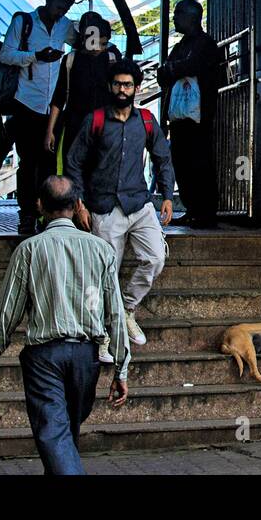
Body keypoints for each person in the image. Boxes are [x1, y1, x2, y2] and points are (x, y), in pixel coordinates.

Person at [0, 175, 129, 475]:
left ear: (39, 206)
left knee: (55, 433)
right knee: (63, 434)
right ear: (77, 206)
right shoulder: (101, 250)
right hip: (86, 357)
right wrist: (121, 367)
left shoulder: (30, 249)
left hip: (44, 357)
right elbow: (115, 312)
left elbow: (8, 308)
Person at [65, 59, 174, 348]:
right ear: (109, 86)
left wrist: (167, 197)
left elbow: (163, 158)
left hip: (139, 203)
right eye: (117, 84)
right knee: (105, 272)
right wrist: (80, 204)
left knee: (155, 258)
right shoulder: (96, 120)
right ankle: (103, 332)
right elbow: (73, 162)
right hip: (103, 206)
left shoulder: (147, 121)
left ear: (136, 88)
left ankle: (126, 310)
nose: (122, 89)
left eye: (127, 84)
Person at [0, 0, 76, 234]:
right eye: (58, 6)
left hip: (55, 106)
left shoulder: (66, 26)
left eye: (65, 9)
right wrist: (36, 56)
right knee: (28, 162)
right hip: (26, 102)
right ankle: (27, 213)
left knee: (51, 164)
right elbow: (5, 55)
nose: (60, 12)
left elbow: (81, 45)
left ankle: (49, 214)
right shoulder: (24, 22)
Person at [157, 0, 222, 227]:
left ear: (191, 17)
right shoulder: (180, 45)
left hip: (199, 117)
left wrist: (173, 68)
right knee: (181, 162)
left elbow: (191, 66)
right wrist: (174, 68)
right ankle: (192, 208)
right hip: (178, 116)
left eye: (178, 13)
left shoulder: (206, 44)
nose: (174, 17)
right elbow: (162, 74)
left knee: (199, 162)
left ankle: (205, 211)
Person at [45, 11, 121, 167]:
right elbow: (59, 98)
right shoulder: (71, 60)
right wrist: (50, 131)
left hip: (103, 127)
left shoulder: (112, 59)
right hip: (76, 126)